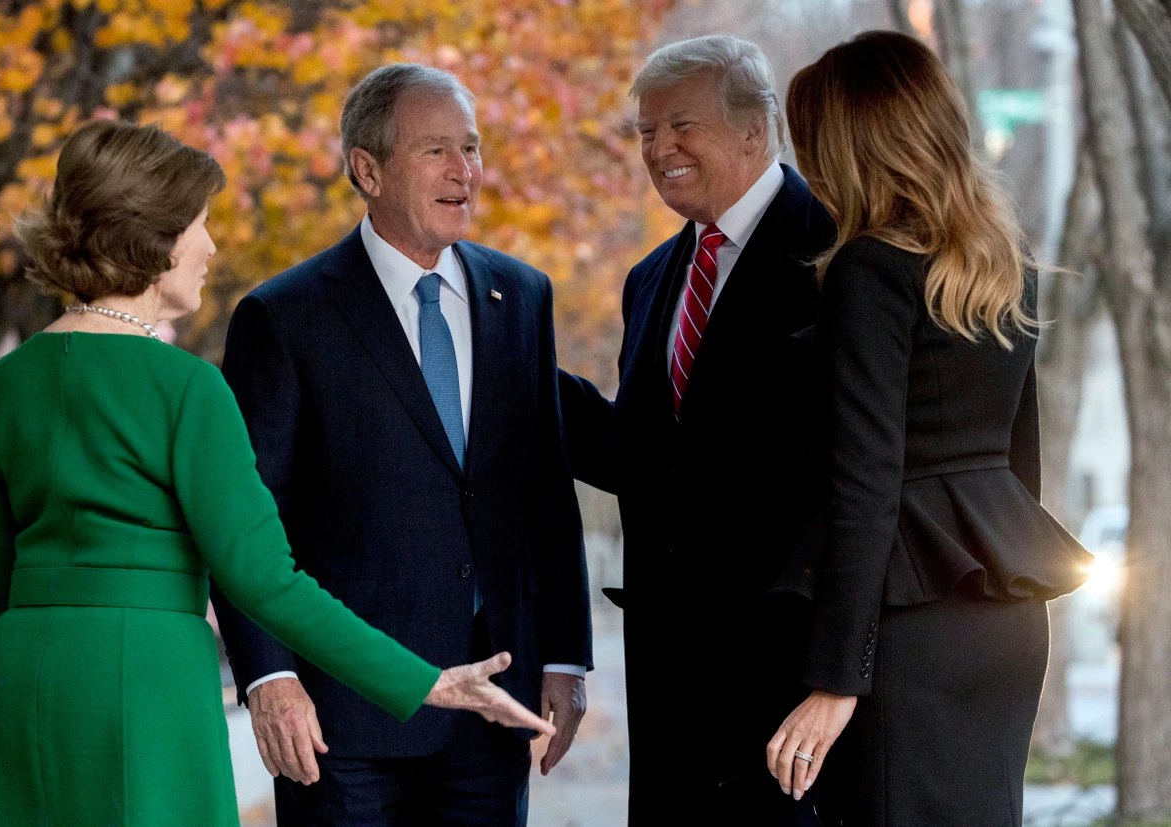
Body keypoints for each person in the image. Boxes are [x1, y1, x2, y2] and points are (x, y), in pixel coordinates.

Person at [0, 119, 553, 827]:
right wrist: (423, 678)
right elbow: (266, 579)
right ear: (152, 236)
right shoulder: (186, 388)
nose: (210, 247)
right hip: (147, 678)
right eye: (199, 226)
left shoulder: (4, 383)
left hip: (19, 669)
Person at [209, 63, 592, 827]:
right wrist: (268, 678)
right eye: (437, 150)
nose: (465, 171)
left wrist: (565, 656)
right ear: (368, 169)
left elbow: (546, 490)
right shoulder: (284, 316)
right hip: (342, 718)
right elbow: (246, 521)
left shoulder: (521, 295)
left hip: (492, 700)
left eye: (473, 148)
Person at [763, 31, 1093, 826]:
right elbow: (1021, 457)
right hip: (1004, 616)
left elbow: (866, 483)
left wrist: (838, 678)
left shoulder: (868, 268)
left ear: (850, 146)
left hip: (907, 631)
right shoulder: (995, 253)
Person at [557, 35, 837, 824]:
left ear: (755, 128)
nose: (659, 149)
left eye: (681, 126)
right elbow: (647, 457)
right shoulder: (651, 278)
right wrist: (516, 372)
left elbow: (865, 469)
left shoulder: (836, 249)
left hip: (788, 675)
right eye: (646, 132)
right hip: (669, 673)